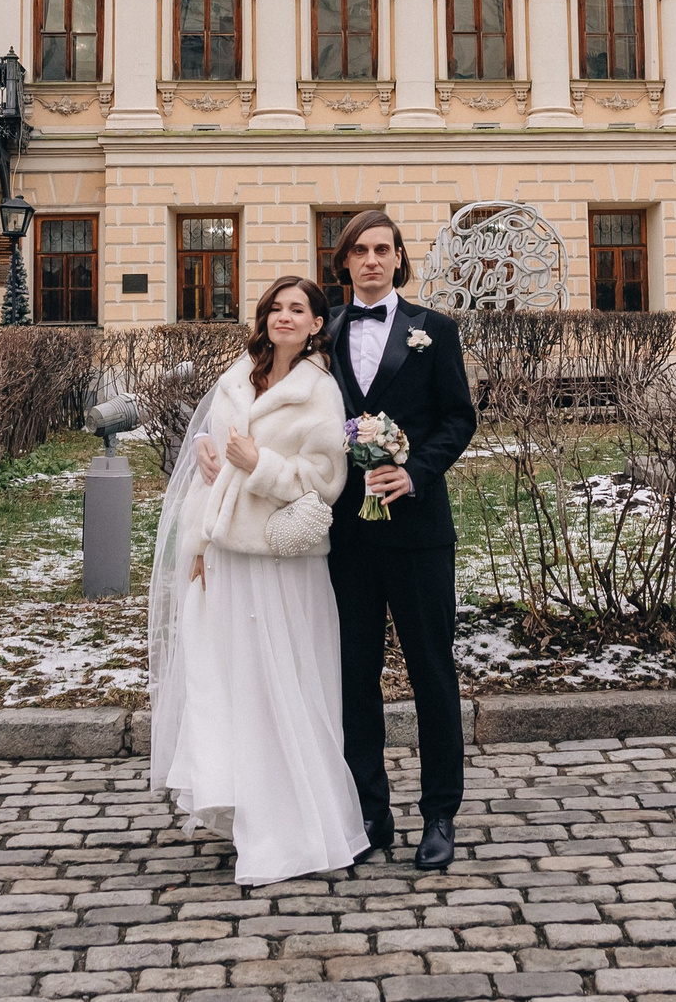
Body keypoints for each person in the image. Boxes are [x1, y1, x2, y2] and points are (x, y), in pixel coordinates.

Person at [148, 276, 369, 885]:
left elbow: (325, 481)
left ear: (317, 323)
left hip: (281, 562)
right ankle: (246, 808)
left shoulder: (318, 391)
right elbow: (209, 474)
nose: (285, 317)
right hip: (227, 555)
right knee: (236, 682)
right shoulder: (235, 378)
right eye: (276, 308)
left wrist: (259, 465)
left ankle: (296, 825)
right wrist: (199, 534)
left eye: (298, 309)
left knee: (285, 685)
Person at [322, 209, 476, 871]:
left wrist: (413, 473)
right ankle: (369, 808)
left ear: (399, 256)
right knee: (354, 675)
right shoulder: (322, 334)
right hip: (344, 535)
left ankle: (440, 813)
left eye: (382, 249)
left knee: (431, 671)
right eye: (359, 249)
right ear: (344, 261)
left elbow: (458, 417)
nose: (371, 259)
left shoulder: (433, 331)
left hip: (418, 532)